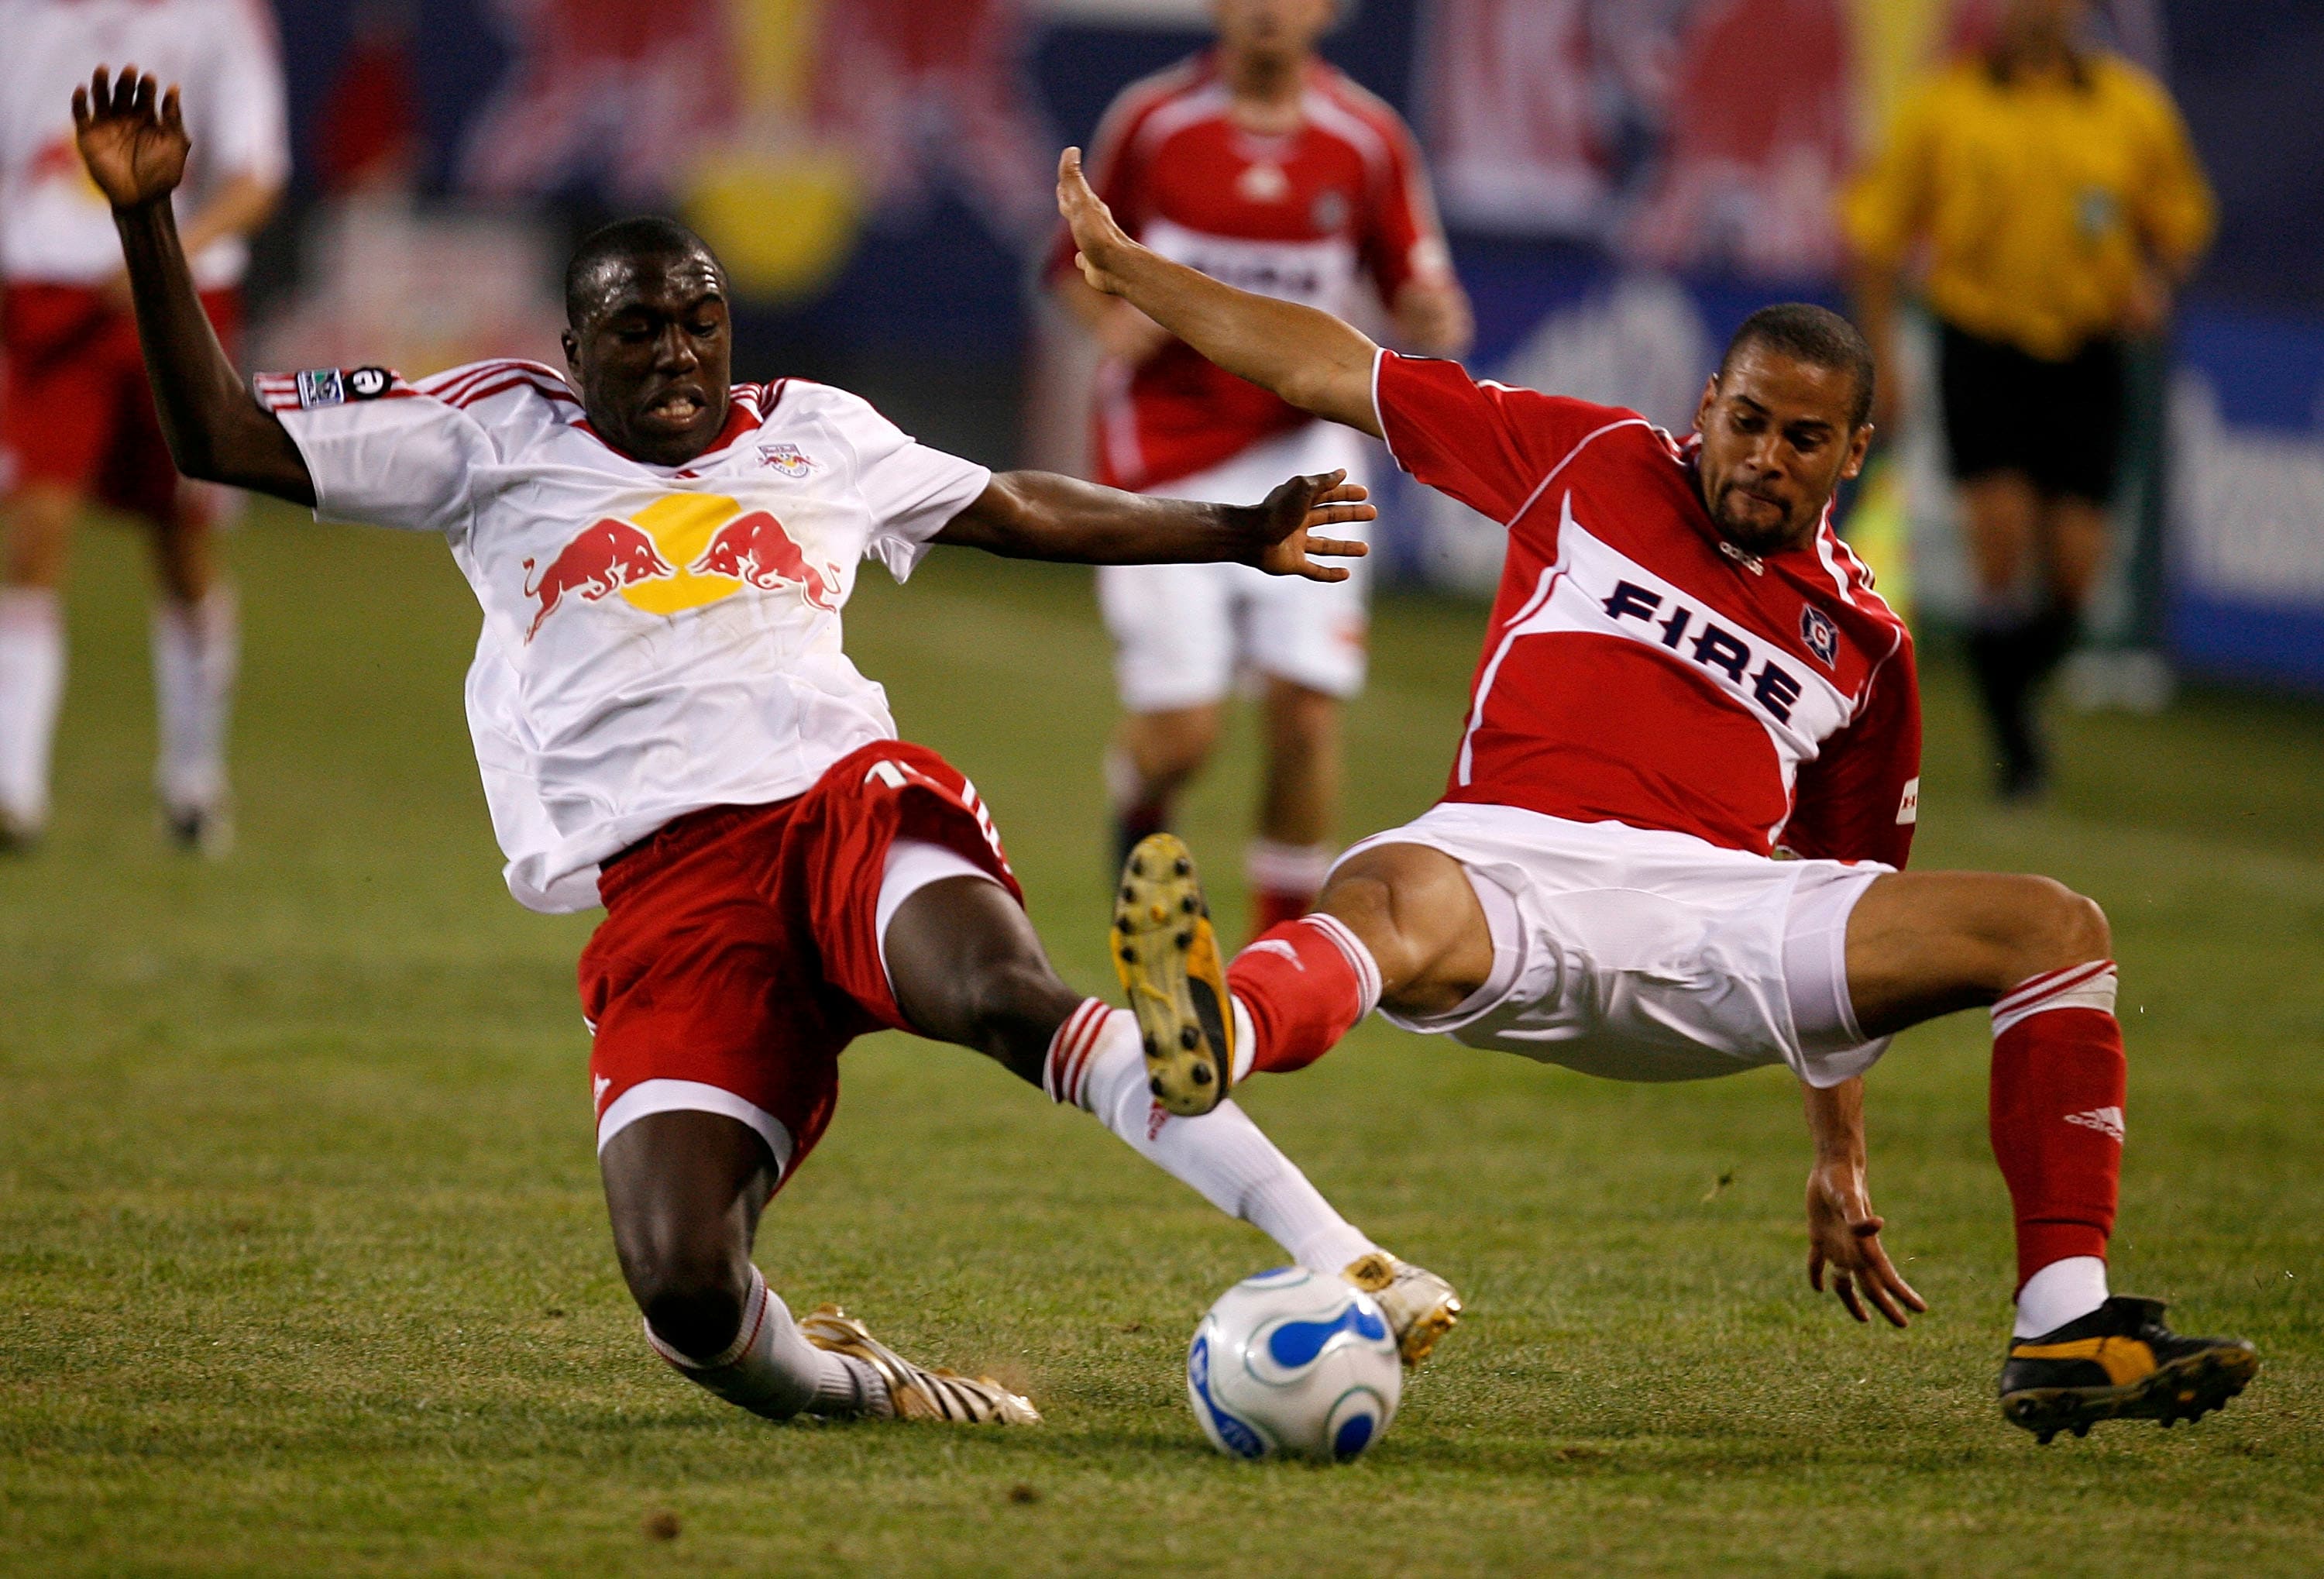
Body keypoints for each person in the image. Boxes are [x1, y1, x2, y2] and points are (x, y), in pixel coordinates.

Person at [76, 65, 1461, 1429]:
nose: (676, 351)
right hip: (669, 892)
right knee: (683, 1284)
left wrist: (1233, 529)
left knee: (999, 991)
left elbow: (1015, 506)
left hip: (837, 803)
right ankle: (863, 1386)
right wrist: (149, 222)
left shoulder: (816, 433)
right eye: (636, 330)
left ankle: (1344, 1252)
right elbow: (218, 436)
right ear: (574, 349)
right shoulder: (489, 433)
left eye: (700, 319)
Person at [1059, 146, 2260, 1443]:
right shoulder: (1588, 460)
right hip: (1508, 868)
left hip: (1725, 915)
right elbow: (1322, 364)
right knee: (1389, 886)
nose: (1763, 457)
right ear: (1710, 400)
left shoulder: (1866, 643)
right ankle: (1215, 1038)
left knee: (2057, 927)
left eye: (1804, 439)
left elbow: (1859, 908)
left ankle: (2063, 1325)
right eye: (1746, 419)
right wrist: (1133, 270)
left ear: (1854, 451)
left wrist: (1839, 1148)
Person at [1047, 0, 1471, 935]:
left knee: (1306, 709)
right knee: (1182, 735)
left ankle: (1284, 949)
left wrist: (1433, 314)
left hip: (1305, 440)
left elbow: (1419, 287)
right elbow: (1068, 266)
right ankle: (1140, 802)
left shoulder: (1366, 140)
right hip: (1165, 454)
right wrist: (1110, 319)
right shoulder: (1155, 125)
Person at [1842, 0, 2213, 800]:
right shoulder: (1946, 104)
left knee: (2077, 572)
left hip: (2087, 352)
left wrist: (2155, 282)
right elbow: (1874, 237)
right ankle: (2016, 748)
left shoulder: (2132, 108)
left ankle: (2012, 701)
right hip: (1982, 345)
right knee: (2002, 545)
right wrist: (1886, 359)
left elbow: (2182, 221)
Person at [0, 0, 288, 852]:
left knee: (182, 540)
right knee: (34, 528)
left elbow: (256, 174)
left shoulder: (218, 15)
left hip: (173, 298)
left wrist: (161, 243)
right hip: (49, 296)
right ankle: (14, 789)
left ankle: (194, 780)